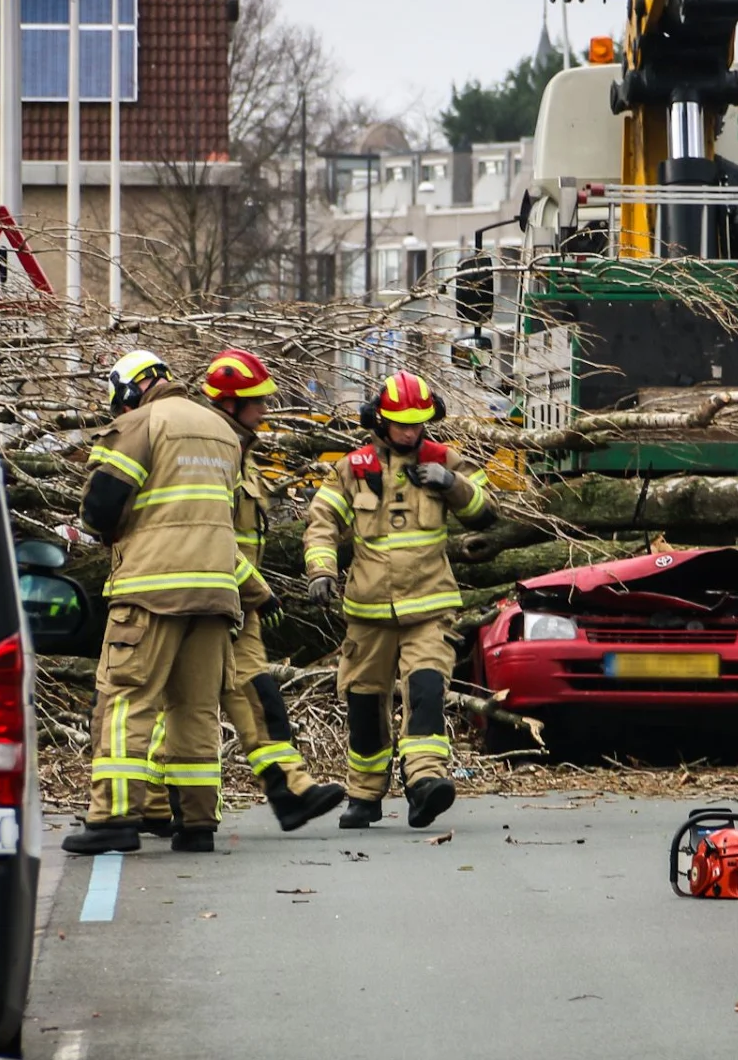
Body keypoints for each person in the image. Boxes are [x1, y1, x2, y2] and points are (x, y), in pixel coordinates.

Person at [62, 350, 269, 855]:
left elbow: (99, 508)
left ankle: (112, 818)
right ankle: (197, 824)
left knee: (127, 698)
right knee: (195, 709)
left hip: (151, 590)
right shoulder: (220, 430)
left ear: (130, 390)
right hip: (216, 592)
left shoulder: (139, 424)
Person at [302, 371, 499, 829]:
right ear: (381, 419)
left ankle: (425, 784)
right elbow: (322, 521)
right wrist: (321, 571)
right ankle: (364, 795)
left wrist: (451, 482)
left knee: (426, 691)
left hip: (430, 606)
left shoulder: (445, 459)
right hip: (368, 613)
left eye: (418, 422)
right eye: (401, 423)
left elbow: (486, 514)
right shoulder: (355, 467)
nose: (410, 431)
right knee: (364, 703)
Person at [198, 347, 347, 830]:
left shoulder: (243, 457)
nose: (265, 409)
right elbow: (207, 535)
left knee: (260, 698)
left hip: (238, 605)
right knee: (180, 706)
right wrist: (258, 589)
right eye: (256, 401)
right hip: (207, 601)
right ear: (228, 404)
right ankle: (161, 805)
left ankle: (291, 789)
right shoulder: (210, 456)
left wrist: (254, 594)